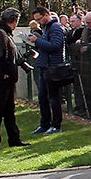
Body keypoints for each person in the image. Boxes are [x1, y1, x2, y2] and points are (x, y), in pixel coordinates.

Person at [30, 7, 66, 135]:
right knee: (42, 97)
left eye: (39, 19)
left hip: (53, 67)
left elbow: (55, 46)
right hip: (45, 65)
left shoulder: (55, 27)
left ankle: (56, 125)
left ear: (46, 15)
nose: (38, 22)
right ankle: (44, 124)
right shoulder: (46, 28)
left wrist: (37, 41)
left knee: (53, 97)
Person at [0, 9, 28, 148]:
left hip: (8, 80)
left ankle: (14, 139)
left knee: (9, 111)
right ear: (15, 20)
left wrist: (21, 62)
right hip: (1, 81)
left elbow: (12, 54)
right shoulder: (0, 34)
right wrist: (2, 74)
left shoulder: (6, 34)